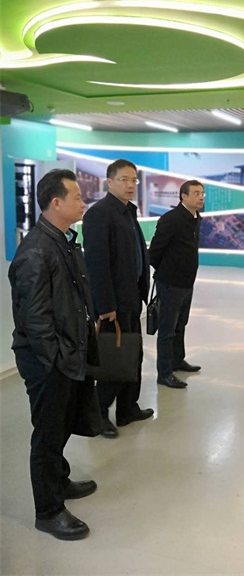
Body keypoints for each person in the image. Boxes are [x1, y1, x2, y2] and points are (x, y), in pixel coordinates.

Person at [9, 169, 99, 540]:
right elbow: (35, 320)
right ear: (56, 203)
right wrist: (58, 359)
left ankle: (59, 481)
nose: (83, 202)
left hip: (66, 354)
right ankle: (48, 511)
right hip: (48, 361)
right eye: (77, 197)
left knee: (61, 425)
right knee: (47, 436)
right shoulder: (36, 251)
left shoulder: (62, 241)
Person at [82, 159, 153, 438]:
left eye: (134, 180)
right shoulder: (99, 214)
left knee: (132, 355)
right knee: (114, 359)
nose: (130, 185)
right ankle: (99, 414)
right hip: (114, 303)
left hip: (131, 296)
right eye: (124, 179)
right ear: (109, 182)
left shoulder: (128, 212)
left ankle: (127, 408)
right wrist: (105, 305)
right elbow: (97, 264)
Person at [149, 180, 205, 389]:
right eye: (196, 193)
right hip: (170, 283)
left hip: (187, 282)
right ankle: (164, 373)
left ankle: (177, 360)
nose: (201, 197)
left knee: (181, 324)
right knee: (167, 329)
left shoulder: (196, 218)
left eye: (202, 193)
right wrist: (167, 271)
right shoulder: (171, 219)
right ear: (183, 196)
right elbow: (155, 252)